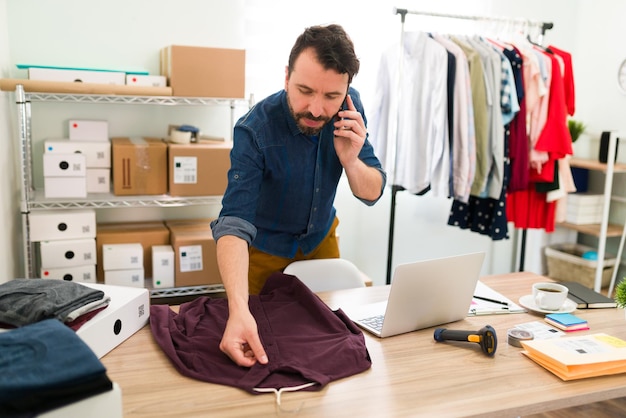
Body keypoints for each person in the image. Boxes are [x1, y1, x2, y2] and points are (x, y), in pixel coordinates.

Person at [210, 24, 387, 367]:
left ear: (346, 89)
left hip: (322, 241)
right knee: (264, 350)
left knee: (326, 345)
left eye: (331, 96)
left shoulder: (351, 108)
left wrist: (351, 161)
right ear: (287, 76)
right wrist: (237, 310)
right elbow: (233, 221)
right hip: (263, 252)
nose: (318, 109)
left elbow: (373, 191)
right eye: (305, 90)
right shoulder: (255, 129)